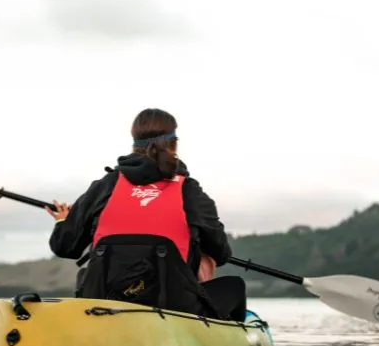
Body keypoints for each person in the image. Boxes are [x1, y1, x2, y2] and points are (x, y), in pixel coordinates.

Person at [45, 108, 248, 322]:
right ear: (174, 144)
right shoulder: (189, 191)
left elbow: (65, 247)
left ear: (133, 143)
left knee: (85, 277)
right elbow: (222, 253)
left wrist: (63, 222)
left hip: (102, 302)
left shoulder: (105, 186)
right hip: (174, 308)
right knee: (234, 286)